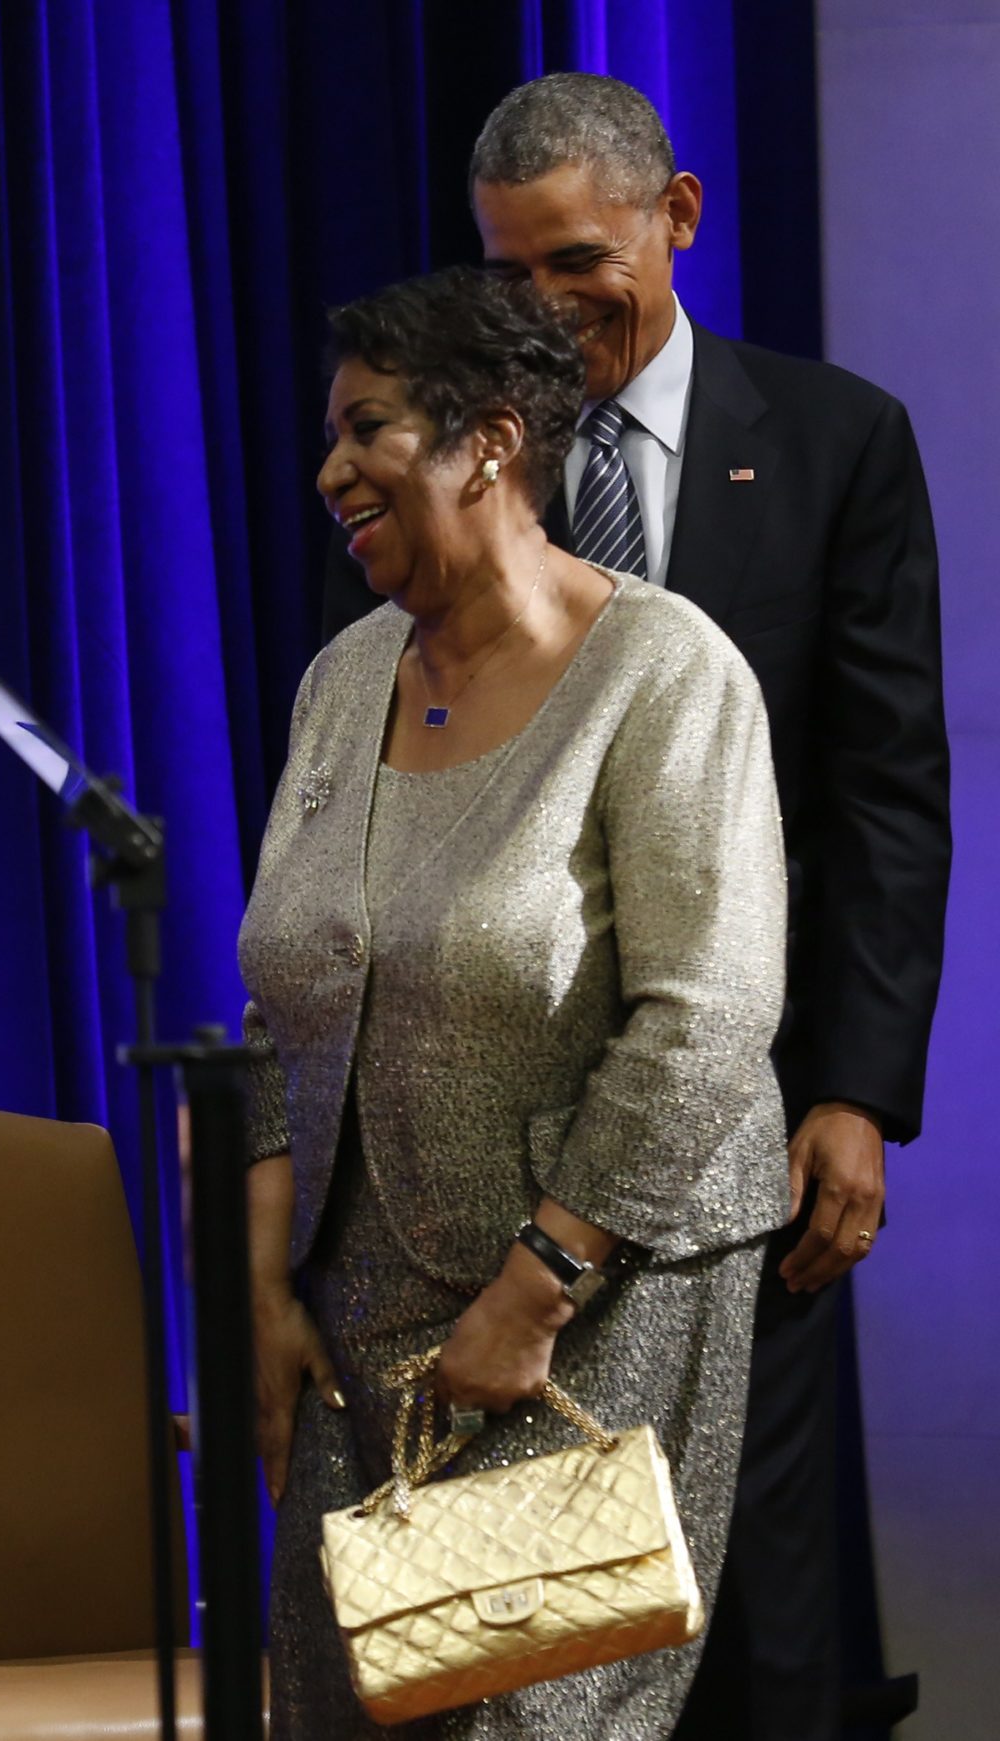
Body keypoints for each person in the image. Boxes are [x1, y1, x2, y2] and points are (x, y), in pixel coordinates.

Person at [315, 75, 951, 1735]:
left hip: (727, 1138)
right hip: (480, 1160)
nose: (543, 307)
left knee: (750, 1593)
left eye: (577, 260)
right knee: (529, 1651)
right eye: (506, 274)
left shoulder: (832, 440)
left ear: (677, 216)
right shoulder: (439, 515)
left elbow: (887, 794)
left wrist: (854, 1091)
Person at [249, 266, 790, 1735]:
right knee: (340, 1709)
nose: (329, 471)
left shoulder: (665, 672)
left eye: (367, 429)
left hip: (593, 1306)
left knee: (532, 1721)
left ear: (487, 442)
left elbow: (708, 1013)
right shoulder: (341, 680)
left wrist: (537, 1285)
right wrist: (262, 1293)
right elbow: (283, 996)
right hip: (355, 1326)